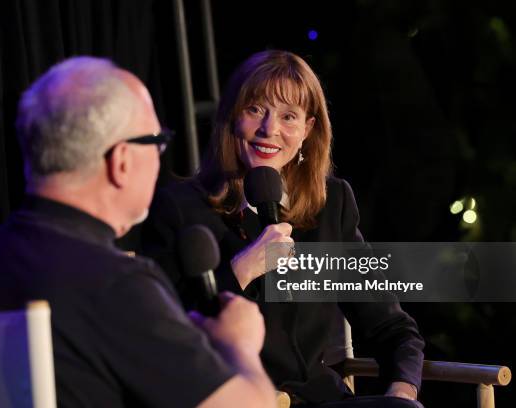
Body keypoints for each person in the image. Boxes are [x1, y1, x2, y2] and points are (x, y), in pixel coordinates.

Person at [0, 57, 277, 407]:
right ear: (121, 161)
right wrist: (238, 345)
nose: (159, 156)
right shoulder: (115, 284)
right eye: (156, 141)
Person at [140, 50, 425, 407]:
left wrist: (402, 392)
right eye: (256, 109)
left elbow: (392, 329)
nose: (269, 130)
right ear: (232, 115)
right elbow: (160, 333)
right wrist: (242, 269)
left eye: (289, 116)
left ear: (307, 130)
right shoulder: (179, 208)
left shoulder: (331, 204)